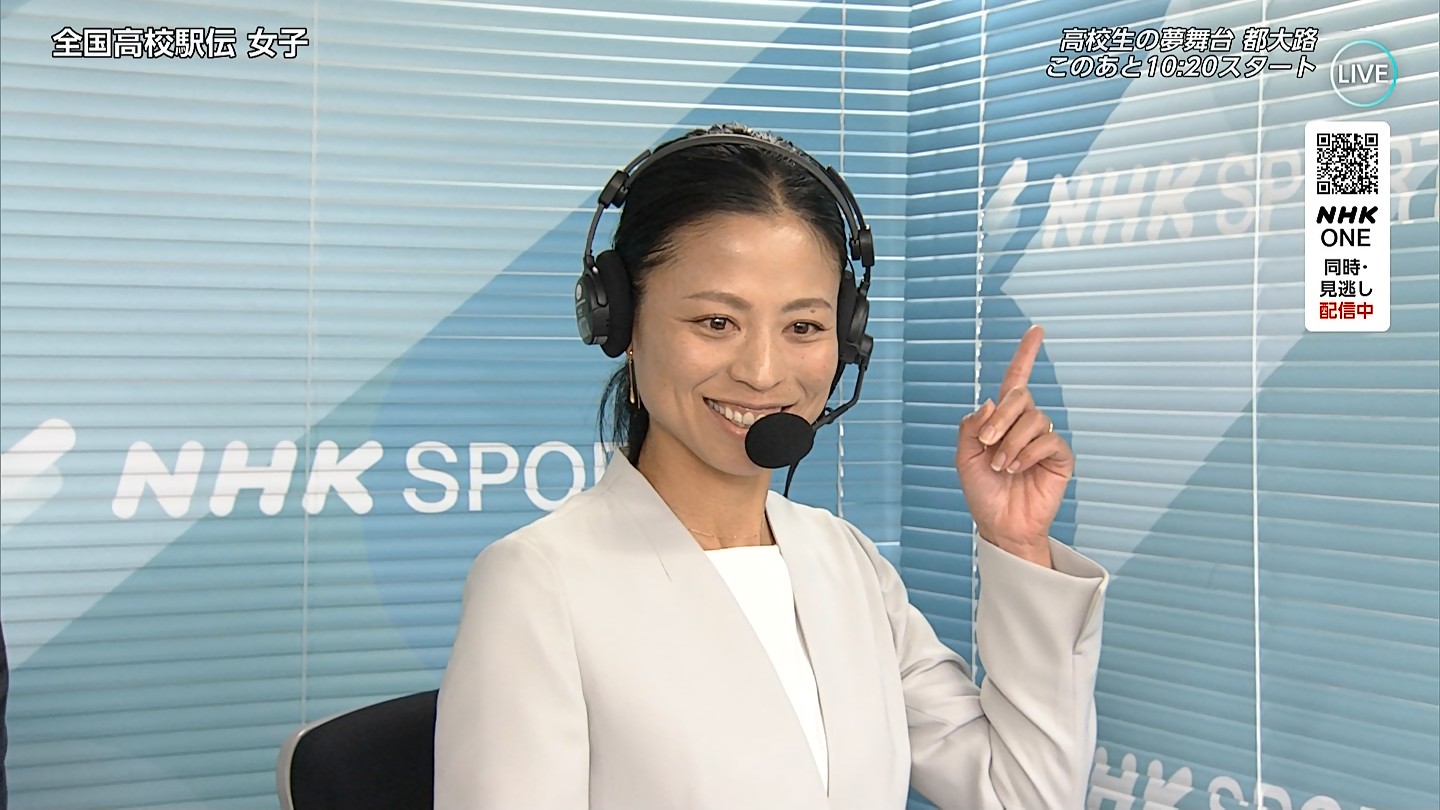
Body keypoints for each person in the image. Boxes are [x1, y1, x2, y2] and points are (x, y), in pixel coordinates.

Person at [434, 123, 1108, 810]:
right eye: (716, 322)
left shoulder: (845, 562)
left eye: (803, 327)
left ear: (847, 338)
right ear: (624, 323)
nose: (762, 372)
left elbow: (1026, 797)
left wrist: (1017, 542)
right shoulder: (539, 583)